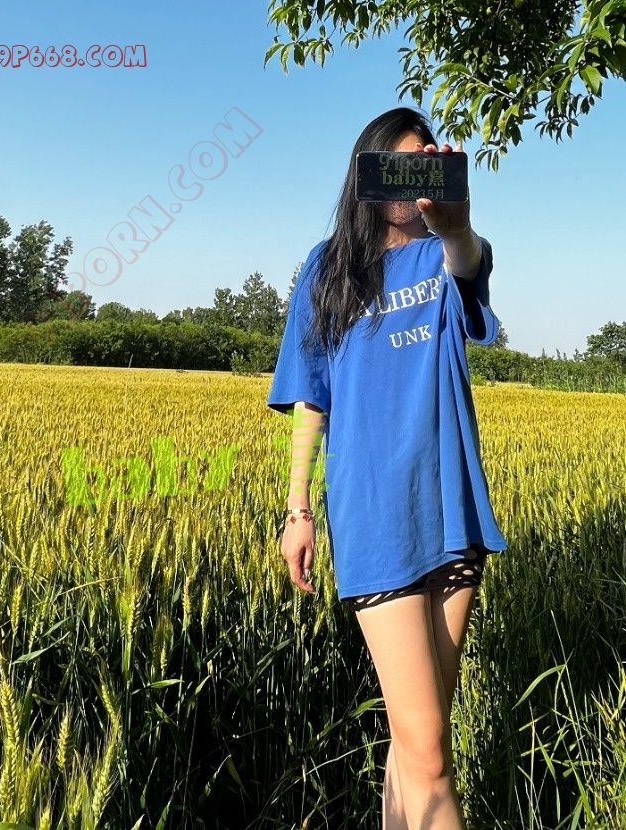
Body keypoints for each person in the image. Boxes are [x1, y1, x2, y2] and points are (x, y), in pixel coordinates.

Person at [265, 106, 509, 830]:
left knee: (418, 745)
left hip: (451, 511)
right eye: (395, 168)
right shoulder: (327, 268)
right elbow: (311, 400)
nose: (409, 186)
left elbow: (469, 259)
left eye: (421, 167)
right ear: (367, 174)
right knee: (428, 752)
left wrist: (456, 224)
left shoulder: (444, 255)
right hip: (375, 518)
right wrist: (297, 510)